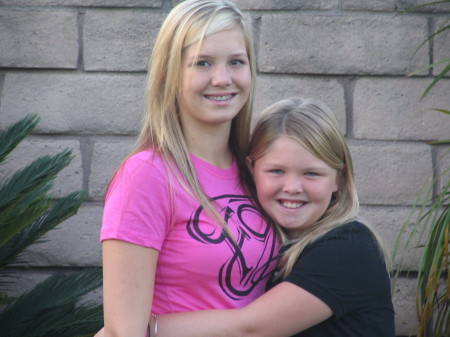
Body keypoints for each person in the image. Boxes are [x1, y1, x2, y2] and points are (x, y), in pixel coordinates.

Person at [97, 1, 280, 336]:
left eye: (236, 62)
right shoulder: (146, 176)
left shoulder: (257, 171)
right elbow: (124, 331)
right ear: (169, 73)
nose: (222, 79)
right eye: (203, 63)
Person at [151, 97, 396, 337]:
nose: (292, 187)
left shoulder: (350, 248)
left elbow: (249, 329)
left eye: (311, 173)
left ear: (338, 179)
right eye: (276, 171)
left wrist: (137, 329)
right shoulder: (273, 246)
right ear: (251, 169)